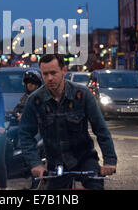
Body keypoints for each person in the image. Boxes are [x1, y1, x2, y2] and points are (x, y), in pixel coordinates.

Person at [19, 54, 117, 190]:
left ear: (64, 71)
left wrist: (109, 161)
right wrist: (35, 163)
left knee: (96, 186)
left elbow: (101, 129)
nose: (49, 78)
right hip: (56, 162)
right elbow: (25, 134)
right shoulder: (35, 100)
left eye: (53, 73)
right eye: (45, 74)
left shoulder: (82, 94)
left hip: (84, 158)